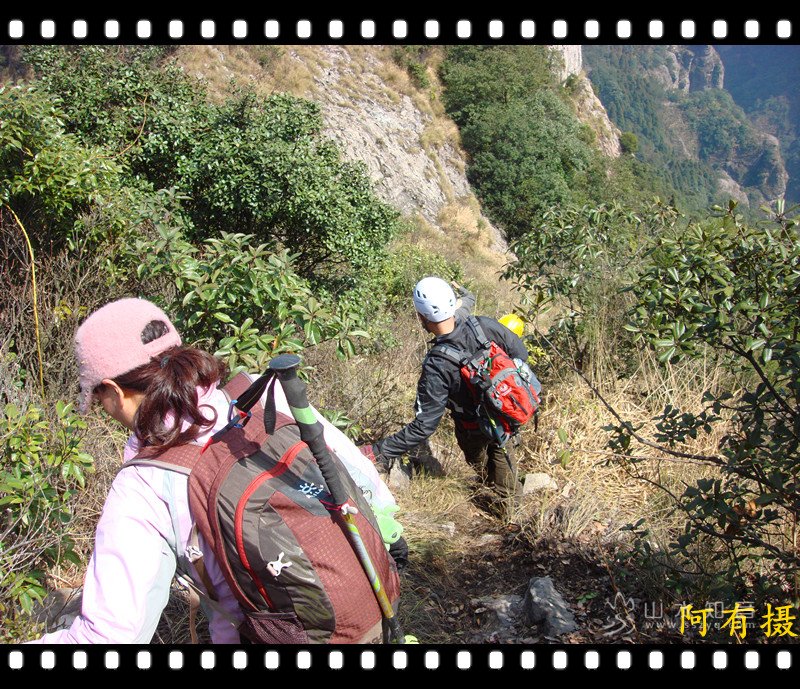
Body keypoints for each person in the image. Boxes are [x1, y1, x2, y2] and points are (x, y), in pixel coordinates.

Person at [28, 297, 402, 644]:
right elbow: (354, 473)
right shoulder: (262, 390)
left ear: (113, 389)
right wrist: (391, 536)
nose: (103, 408)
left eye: (98, 398)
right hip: (376, 604)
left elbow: (110, 636)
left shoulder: (143, 485)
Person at [362, 277, 529, 505]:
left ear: (421, 316)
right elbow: (520, 354)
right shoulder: (484, 325)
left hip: (471, 428)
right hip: (504, 416)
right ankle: (506, 503)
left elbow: (424, 426)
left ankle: (502, 503)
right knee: (504, 469)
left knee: (484, 468)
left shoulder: (437, 365)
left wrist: (377, 451)